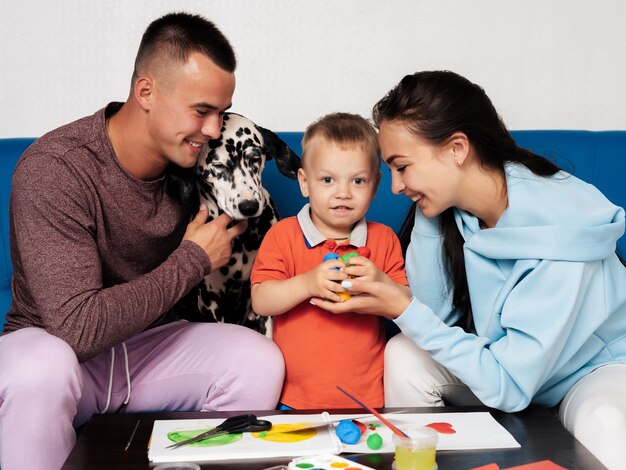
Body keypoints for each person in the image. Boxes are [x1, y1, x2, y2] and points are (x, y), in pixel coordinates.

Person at [0, 12, 284, 470]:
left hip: (148, 352)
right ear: (146, 92)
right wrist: (192, 259)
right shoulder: (55, 169)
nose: (213, 130)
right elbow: (78, 328)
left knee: (257, 360)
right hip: (57, 352)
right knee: (40, 369)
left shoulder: (199, 163)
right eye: (201, 111)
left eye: (220, 113)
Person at [313, 71, 626, 469]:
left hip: (590, 371)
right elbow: (438, 325)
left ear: (457, 148)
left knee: (609, 422)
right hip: (507, 365)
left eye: (402, 167)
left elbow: (510, 386)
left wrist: (401, 307)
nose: (393, 186)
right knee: (406, 354)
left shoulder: (559, 228)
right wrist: (428, 210)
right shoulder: (453, 211)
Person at [250, 113, 409, 409]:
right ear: (304, 183)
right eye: (327, 180)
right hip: (293, 399)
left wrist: (380, 284)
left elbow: (406, 304)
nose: (343, 193)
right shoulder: (282, 234)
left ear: (375, 187)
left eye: (358, 181)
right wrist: (308, 283)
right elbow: (261, 300)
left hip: (369, 399)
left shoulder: (384, 239)